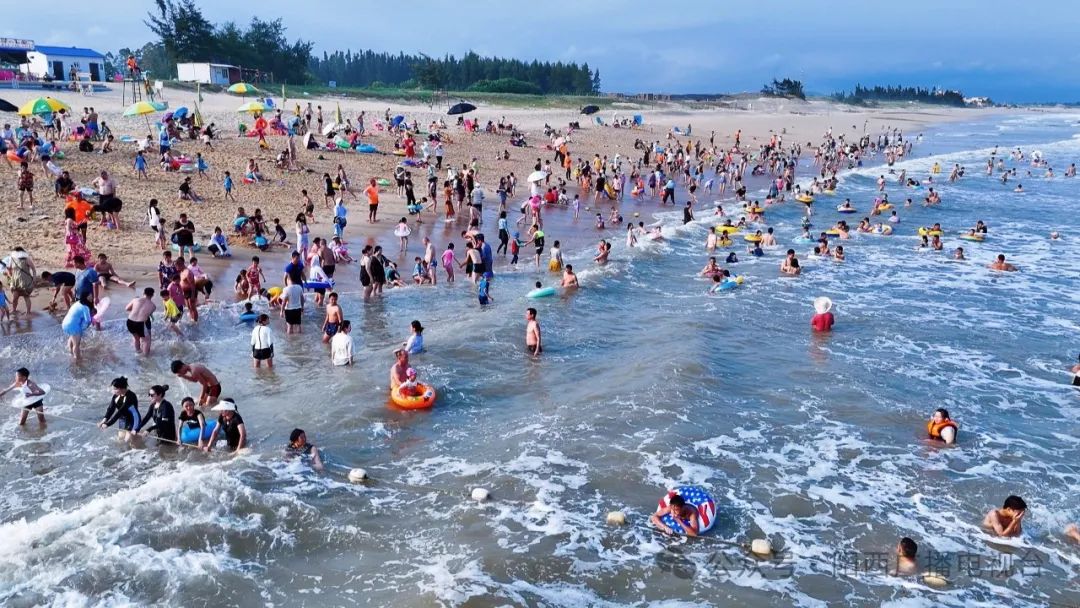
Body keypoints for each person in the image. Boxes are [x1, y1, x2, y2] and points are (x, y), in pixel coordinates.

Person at [124, 287, 156, 355]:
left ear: (143, 293)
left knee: (136, 338)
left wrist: (135, 310)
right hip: (140, 323)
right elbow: (147, 315)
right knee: (147, 341)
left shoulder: (135, 300)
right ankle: (145, 357)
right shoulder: (153, 306)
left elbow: (127, 308)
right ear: (152, 295)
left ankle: (138, 352)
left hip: (130, 321)